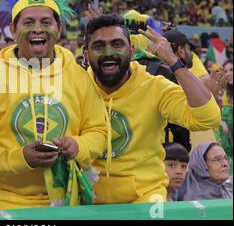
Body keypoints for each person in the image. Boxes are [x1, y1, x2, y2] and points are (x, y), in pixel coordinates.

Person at [0, 0, 108, 210]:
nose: (38, 29)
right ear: (13, 29)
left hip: (68, 198)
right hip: (5, 202)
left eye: (46, 22)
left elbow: (99, 133)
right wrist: (22, 159)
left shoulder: (79, 76)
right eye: (28, 22)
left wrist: (78, 146)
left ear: (59, 29)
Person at [83, 14, 220, 204]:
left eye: (117, 44)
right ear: (86, 55)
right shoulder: (77, 87)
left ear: (131, 51)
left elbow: (208, 118)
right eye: (99, 46)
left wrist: (173, 61)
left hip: (145, 198)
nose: (108, 52)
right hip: (88, 198)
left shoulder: (156, 87)